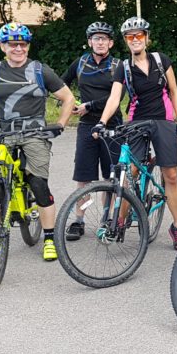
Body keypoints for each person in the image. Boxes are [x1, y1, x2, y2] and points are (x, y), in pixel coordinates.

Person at [0, 22, 74, 262]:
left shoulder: (39, 70)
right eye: (12, 44)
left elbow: (67, 98)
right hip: (4, 134)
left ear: (27, 46)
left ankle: (49, 238)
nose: (18, 48)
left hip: (35, 134)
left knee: (37, 184)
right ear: (2, 46)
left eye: (22, 44)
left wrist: (60, 124)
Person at [95, 17, 177, 249]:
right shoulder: (123, 68)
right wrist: (101, 122)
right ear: (126, 41)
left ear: (146, 38)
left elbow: (174, 91)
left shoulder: (160, 60)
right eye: (130, 37)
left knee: (171, 175)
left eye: (139, 35)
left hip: (163, 120)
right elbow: (115, 98)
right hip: (137, 121)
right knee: (129, 174)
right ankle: (118, 221)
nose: (135, 40)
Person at [59, 21, 121, 241]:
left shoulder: (117, 65)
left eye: (104, 38)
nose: (100, 42)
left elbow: (117, 97)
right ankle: (79, 219)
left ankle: (106, 219)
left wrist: (89, 106)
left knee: (111, 176)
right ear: (89, 42)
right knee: (84, 177)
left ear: (111, 43)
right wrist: (67, 101)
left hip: (111, 125)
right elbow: (60, 84)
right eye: (96, 38)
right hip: (86, 126)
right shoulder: (81, 62)